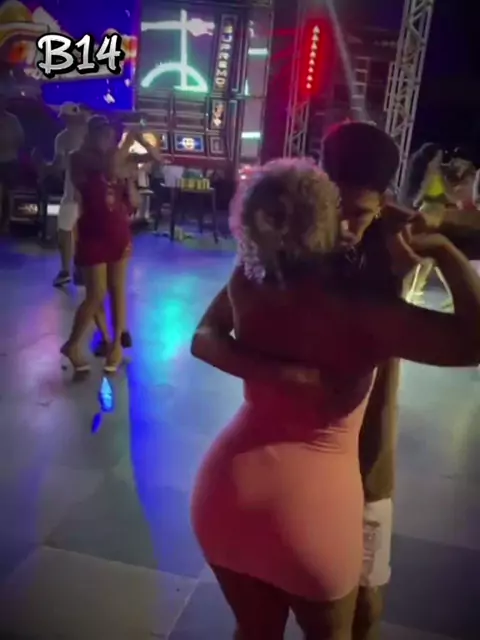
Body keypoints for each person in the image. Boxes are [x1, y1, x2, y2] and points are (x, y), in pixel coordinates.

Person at [190, 157, 480, 640]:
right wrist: (443, 248)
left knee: (254, 631)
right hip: (312, 515)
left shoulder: (249, 280)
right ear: (329, 218)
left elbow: (204, 336)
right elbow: (474, 343)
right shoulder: (362, 310)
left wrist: (278, 372)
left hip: (225, 493)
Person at [61, 116, 135, 374]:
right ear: (90, 135)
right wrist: (128, 147)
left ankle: (115, 345)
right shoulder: (80, 158)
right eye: (102, 135)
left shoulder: (114, 161)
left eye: (110, 135)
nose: (107, 140)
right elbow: (104, 171)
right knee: (96, 293)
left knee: (117, 289)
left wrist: (130, 179)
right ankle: (73, 344)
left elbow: (131, 198)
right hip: (92, 233)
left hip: (117, 231)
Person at [35, 102, 87, 287]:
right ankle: (83, 270)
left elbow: (60, 166)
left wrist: (43, 167)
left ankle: (66, 270)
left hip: (72, 192)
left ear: (65, 117)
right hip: (92, 193)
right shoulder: (91, 135)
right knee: (85, 232)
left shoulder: (63, 138)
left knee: (64, 231)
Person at [0, 92, 24, 233]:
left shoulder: (13, 120)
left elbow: (20, 139)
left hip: (9, 161)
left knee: (8, 193)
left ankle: (6, 223)